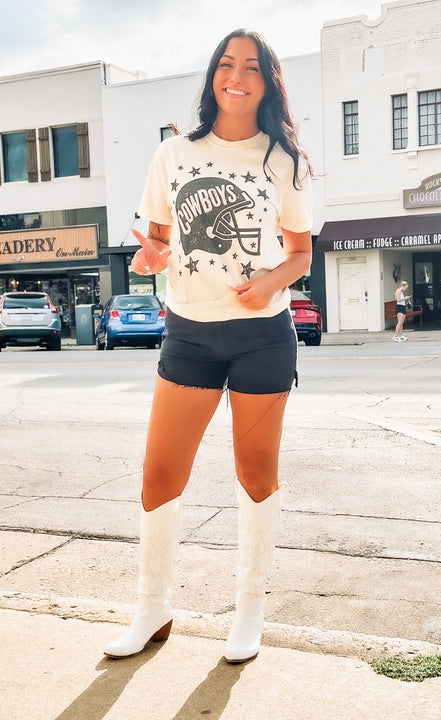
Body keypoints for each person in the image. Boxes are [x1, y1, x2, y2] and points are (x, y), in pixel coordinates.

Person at [104, 28, 313, 664]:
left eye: (252, 67)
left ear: (267, 81)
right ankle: (152, 607)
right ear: (213, 77)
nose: (237, 77)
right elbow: (156, 247)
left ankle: (248, 608)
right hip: (189, 333)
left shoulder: (285, 161)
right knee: (159, 474)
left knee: (255, 475)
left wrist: (268, 282)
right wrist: (149, 259)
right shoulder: (173, 154)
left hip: (262, 337)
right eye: (227, 64)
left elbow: (301, 253)